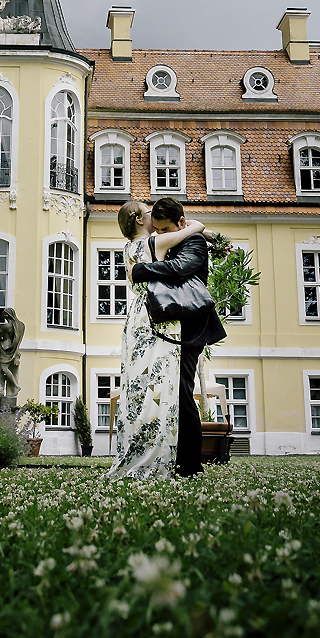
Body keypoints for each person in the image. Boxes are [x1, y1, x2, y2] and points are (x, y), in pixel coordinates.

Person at [110, 200, 210, 480]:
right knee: (163, 386)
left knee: (141, 387)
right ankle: (166, 454)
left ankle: (142, 448)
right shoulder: (155, 244)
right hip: (158, 318)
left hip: (136, 320)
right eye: (148, 212)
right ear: (141, 219)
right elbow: (193, 228)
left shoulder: (128, 248)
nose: (153, 215)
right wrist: (203, 229)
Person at [130, 197, 227, 478]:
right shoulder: (171, 239)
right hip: (173, 329)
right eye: (157, 230)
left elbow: (179, 269)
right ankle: (171, 457)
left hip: (191, 330)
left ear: (181, 223)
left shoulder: (193, 242)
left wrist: (140, 270)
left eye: (166, 229)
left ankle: (191, 464)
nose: (161, 235)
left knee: (182, 392)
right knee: (171, 391)